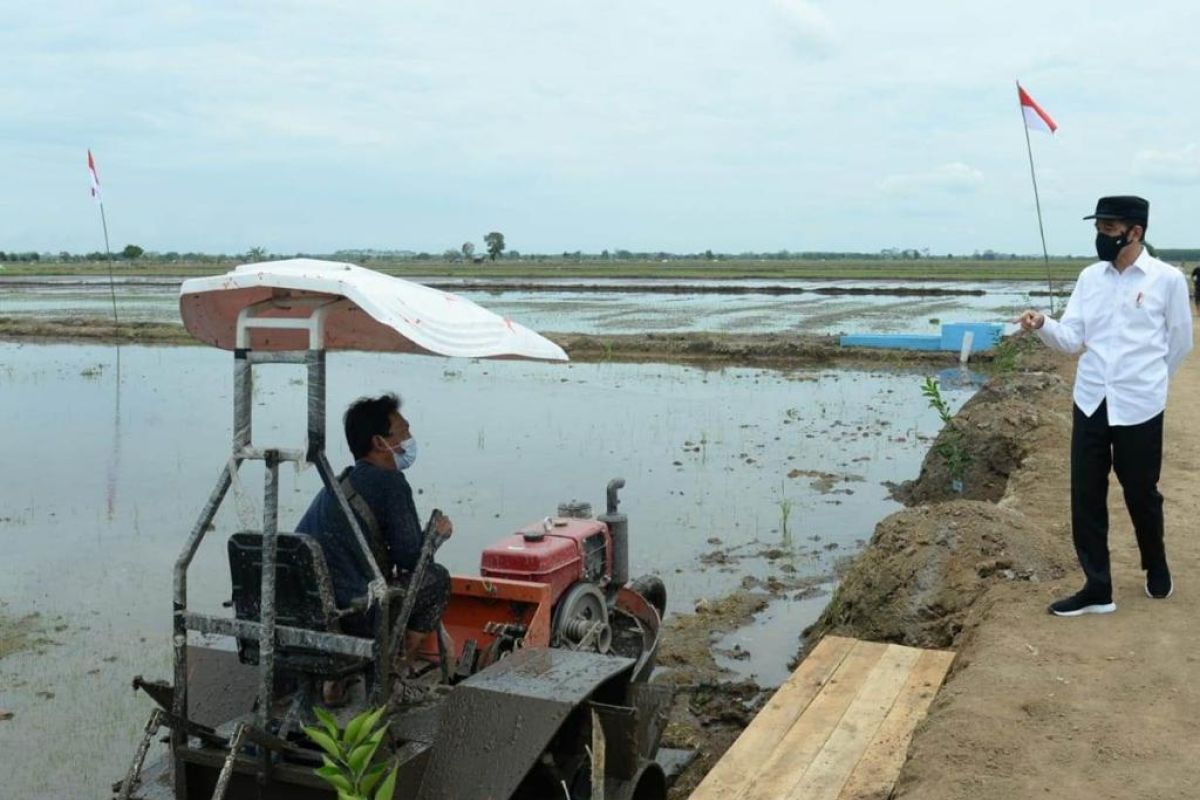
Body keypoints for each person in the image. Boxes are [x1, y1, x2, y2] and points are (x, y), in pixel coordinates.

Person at [1016, 195, 1192, 616]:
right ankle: (1097, 587)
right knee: (1086, 495)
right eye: (1098, 228)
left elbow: (1180, 342)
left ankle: (1156, 563)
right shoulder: (1089, 278)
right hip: (1092, 399)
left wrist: (1150, 383)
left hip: (1139, 405)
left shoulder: (1166, 280)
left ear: (1136, 232)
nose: (1101, 236)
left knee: (1141, 493)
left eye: (1109, 229)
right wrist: (1043, 325)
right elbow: (1073, 339)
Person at [296, 393, 451, 666]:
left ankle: (335, 685)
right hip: (354, 613)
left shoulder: (340, 482)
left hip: (308, 609)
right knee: (437, 578)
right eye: (403, 432)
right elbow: (412, 560)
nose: (409, 439)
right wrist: (436, 534)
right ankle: (397, 671)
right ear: (380, 443)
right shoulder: (390, 483)